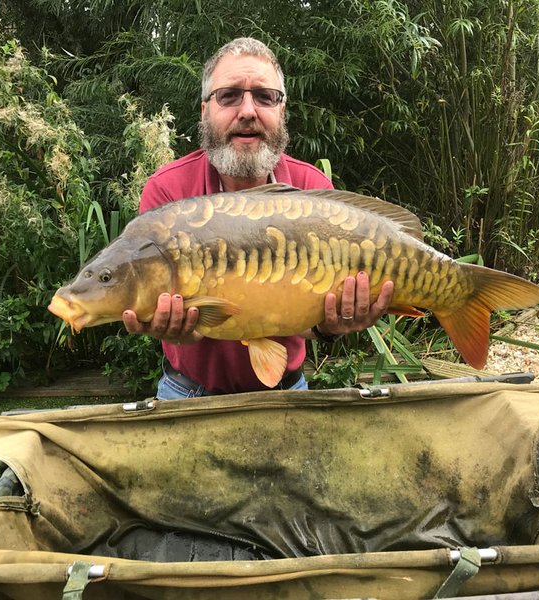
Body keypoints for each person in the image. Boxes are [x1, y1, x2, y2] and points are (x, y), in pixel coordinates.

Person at [122, 37, 394, 399]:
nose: (248, 111)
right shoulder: (168, 191)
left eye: (265, 97)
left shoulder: (311, 188)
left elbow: (311, 320)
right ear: (205, 111)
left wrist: (332, 325)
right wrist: (173, 326)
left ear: (282, 111)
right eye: (229, 96)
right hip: (186, 392)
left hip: (289, 390)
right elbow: (169, 312)